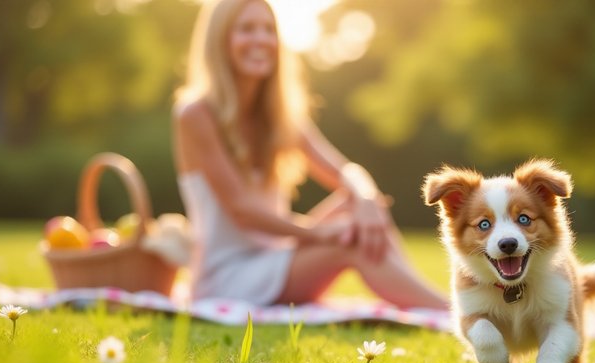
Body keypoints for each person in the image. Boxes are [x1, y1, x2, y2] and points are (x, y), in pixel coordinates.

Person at [172, 0, 448, 310]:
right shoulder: (195, 113)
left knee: (361, 206)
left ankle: (444, 304)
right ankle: (453, 312)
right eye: (246, 29)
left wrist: (366, 198)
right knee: (350, 238)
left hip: (274, 257)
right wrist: (317, 235)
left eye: (268, 30)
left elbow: (345, 171)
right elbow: (242, 210)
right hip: (228, 278)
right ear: (220, 40)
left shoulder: (278, 116)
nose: (260, 40)